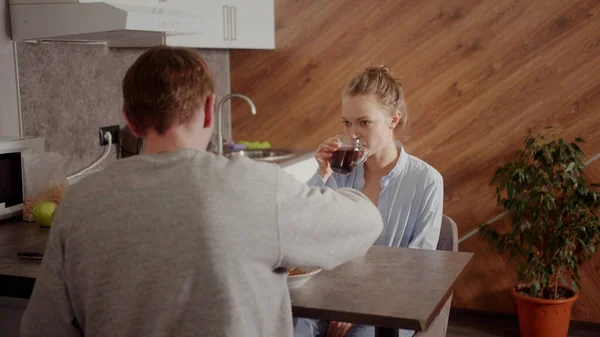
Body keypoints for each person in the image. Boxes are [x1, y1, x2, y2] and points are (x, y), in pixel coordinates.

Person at [20, 47, 384, 337]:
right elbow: (367, 221)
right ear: (210, 110)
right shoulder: (256, 187)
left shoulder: (80, 203)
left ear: (130, 121)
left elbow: (43, 329)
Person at [294, 66, 444, 337]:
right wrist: (322, 174)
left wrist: (356, 307)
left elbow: (418, 268)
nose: (353, 134)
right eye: (346, 123)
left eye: (364, 122)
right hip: (328, 298)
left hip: (387, 308)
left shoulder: (426, 181)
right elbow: (307, 236)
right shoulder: (340, 172)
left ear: (393, 120)